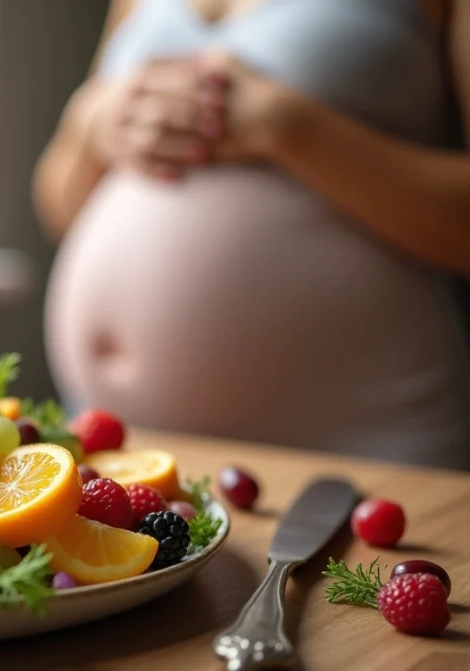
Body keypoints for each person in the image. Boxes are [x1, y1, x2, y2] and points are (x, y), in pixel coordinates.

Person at [33, 0, 470, 469]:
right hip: (127, 448)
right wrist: (90, 124)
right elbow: (61, 211)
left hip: (361, 445)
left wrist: (291, 129)